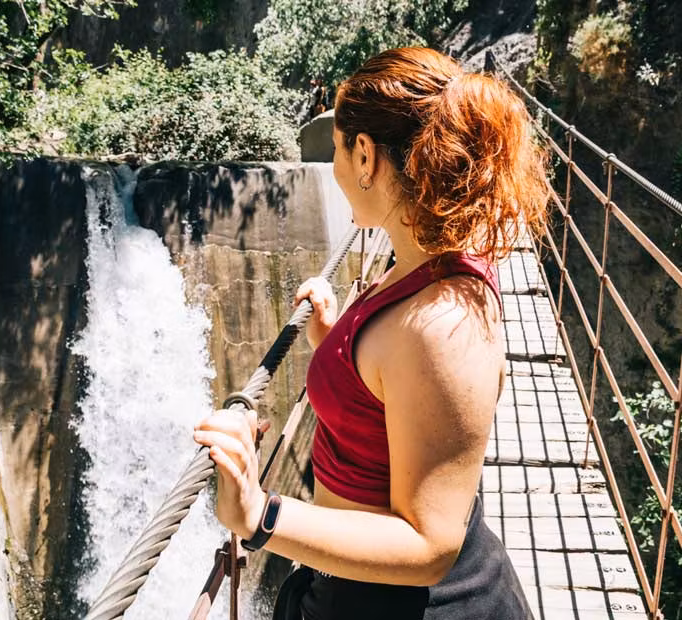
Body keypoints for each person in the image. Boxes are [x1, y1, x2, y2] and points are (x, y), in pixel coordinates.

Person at [193, 47, 549, 619]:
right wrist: (336, 342)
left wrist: (260, 513)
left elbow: (429, 545)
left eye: (335, 148)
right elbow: (390, 390)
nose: (334, 168)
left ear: (364, 155)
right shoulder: (417, 263)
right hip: (357, 588)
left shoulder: (442, 323)